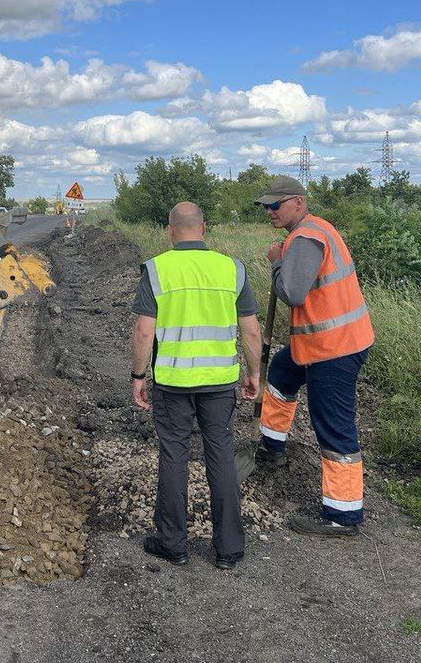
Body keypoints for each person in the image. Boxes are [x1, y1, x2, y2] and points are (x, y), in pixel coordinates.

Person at [131, 202, 263, 569]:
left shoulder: (158, 269)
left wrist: (138, 376)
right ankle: (229, 549)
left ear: (170, 230)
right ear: (204, 228)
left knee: (174, 455)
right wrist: (254, 374)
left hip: (173, 382)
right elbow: (251, 329)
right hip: (220, 382)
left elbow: (144, 330)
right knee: (219, 453)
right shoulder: (231, 269)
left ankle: (173, 544)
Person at [253, 176, 374, 537]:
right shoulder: (312, 231)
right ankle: (272, 445)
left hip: (334, 349)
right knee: (281, 372)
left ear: (299, 203)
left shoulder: (306, 238)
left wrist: (277, 262)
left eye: (276, 205)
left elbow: (292, 292)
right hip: (324, 343)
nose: (269, 212)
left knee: (333, 424)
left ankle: (342, 514)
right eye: (266, 206)